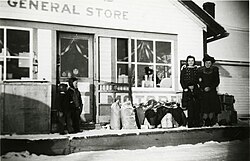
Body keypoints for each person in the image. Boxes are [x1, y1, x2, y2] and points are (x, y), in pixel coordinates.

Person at [198, 54, 221, 126]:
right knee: (205, 107)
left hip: (212, 92)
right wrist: (203, 87)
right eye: (206, 63)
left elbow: (217, 81)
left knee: (212, 107)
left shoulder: (215, 70)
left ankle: (211, 121)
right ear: (204, 63)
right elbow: (199, 81)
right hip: (203, 92)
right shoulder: (200, 70)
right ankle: (205, 121)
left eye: (209, 63)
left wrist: (210, 88)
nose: (207, 64)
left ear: (211, 63)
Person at [180, 55, 201, 127]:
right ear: (187, 62)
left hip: (195, 90)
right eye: (189, 61)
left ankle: (197, 123)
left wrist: (196, 86)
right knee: (189, 107)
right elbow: (181, 80)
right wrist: (185, 88)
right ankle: (190, 123)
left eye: (192, 61)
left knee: (196, 106)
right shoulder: (184, 69)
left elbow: (198, 79)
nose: (191, 62)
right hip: (187, 90)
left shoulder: (196, 69)